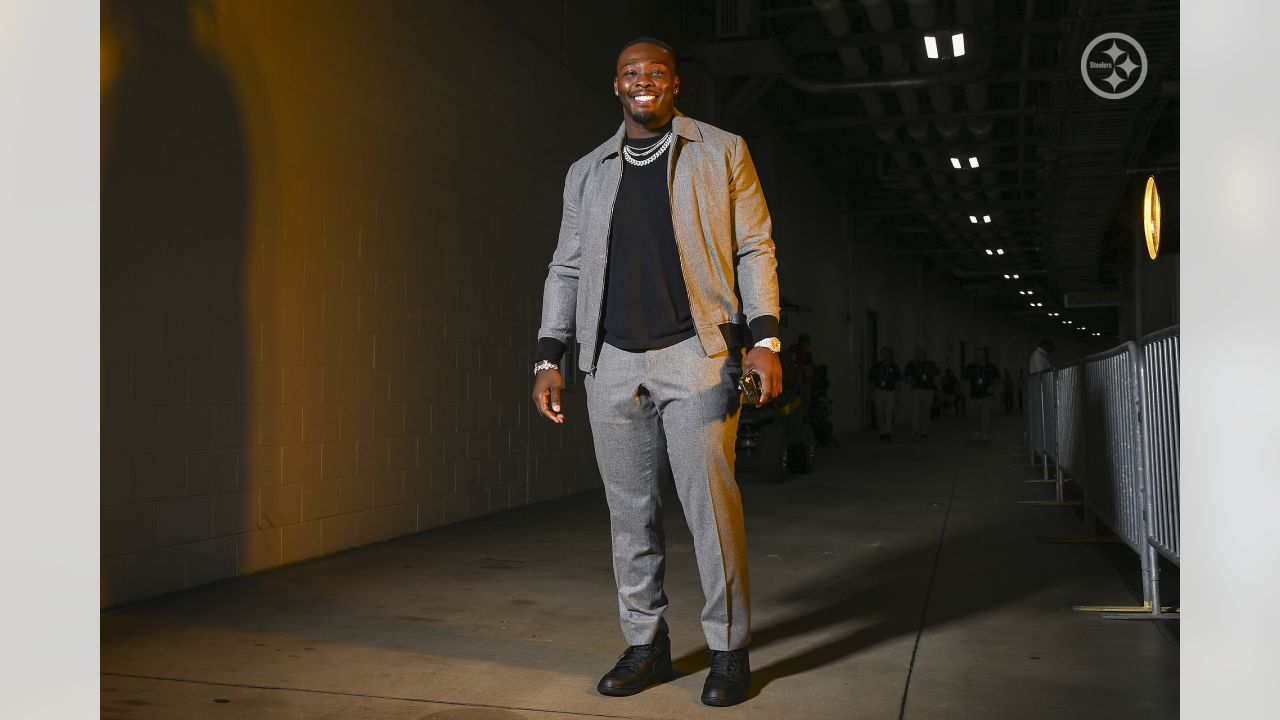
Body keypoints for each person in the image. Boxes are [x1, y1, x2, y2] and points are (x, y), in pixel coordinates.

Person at [530, 37, 781, 708]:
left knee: (711, 513)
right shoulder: (587, 171)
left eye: (657, 73)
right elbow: (567, 266)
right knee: (628, 515)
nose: (644, 82)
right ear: (616, 87)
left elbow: (755, 245)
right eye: (630, 74)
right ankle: (646, 644)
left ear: (676, 86)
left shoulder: (721, 151)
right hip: (609, 360)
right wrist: (548, 356)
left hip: (696, 355)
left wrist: (766, 342)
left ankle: (728, 648)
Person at [964, 347, 1001, 443]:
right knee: (974, 415)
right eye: (977, 354)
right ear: (975, 356)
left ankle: (985, 434)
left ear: (984, 355)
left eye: (981, 354)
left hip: (986, 395)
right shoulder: (970, 367)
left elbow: (997, 379)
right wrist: (964, 391)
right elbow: (964, 379)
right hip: (974, 395)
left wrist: (993, 388)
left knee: (985, 415)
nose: (979, 356)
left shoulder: (991, 366)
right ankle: (976, 433)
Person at [903, 345, 938, 439]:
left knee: (926, 411)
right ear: (915, 353)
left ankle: (924, 431)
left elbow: (936, 375)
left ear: (925, 353)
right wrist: (910, 382)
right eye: (918, 351)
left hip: (928, 390)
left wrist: (936, 389)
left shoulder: (930, 363)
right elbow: (905, 376)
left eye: (922, 351)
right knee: (916, 411)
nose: (920, 353)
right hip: (916, 390)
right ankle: (915, 430)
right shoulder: (911, 364)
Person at [869, 346, 900, 441]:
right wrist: (871, 393)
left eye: (886, 353)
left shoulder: (894, 366)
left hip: (890, 391)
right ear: (880, 354)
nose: (884, 355)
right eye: (883, 353)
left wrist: (897, 393)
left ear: (889, 355)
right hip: (878, 391)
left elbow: (897, 381)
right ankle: (882, 432)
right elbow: (872, 381)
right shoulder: (876, 366)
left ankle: (889, 432)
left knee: (889, 412)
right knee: (880, 413)